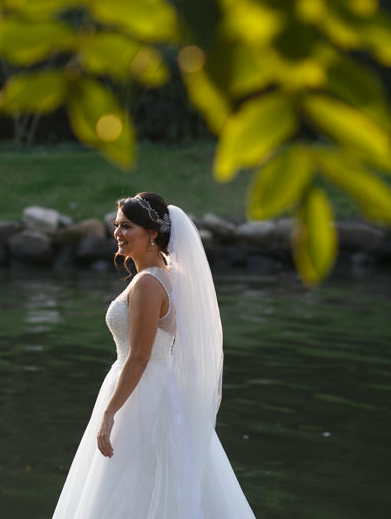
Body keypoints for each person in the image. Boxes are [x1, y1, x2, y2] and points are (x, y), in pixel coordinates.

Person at [52, 192, 257, 518]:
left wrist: (109, 413)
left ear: (151, 233)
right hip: (158, 388)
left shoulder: (148, 283)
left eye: (127, 226)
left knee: (131, 485)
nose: (118, 233)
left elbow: (140, 356)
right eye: (117, 225)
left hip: (139, 393)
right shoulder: (170, 277)